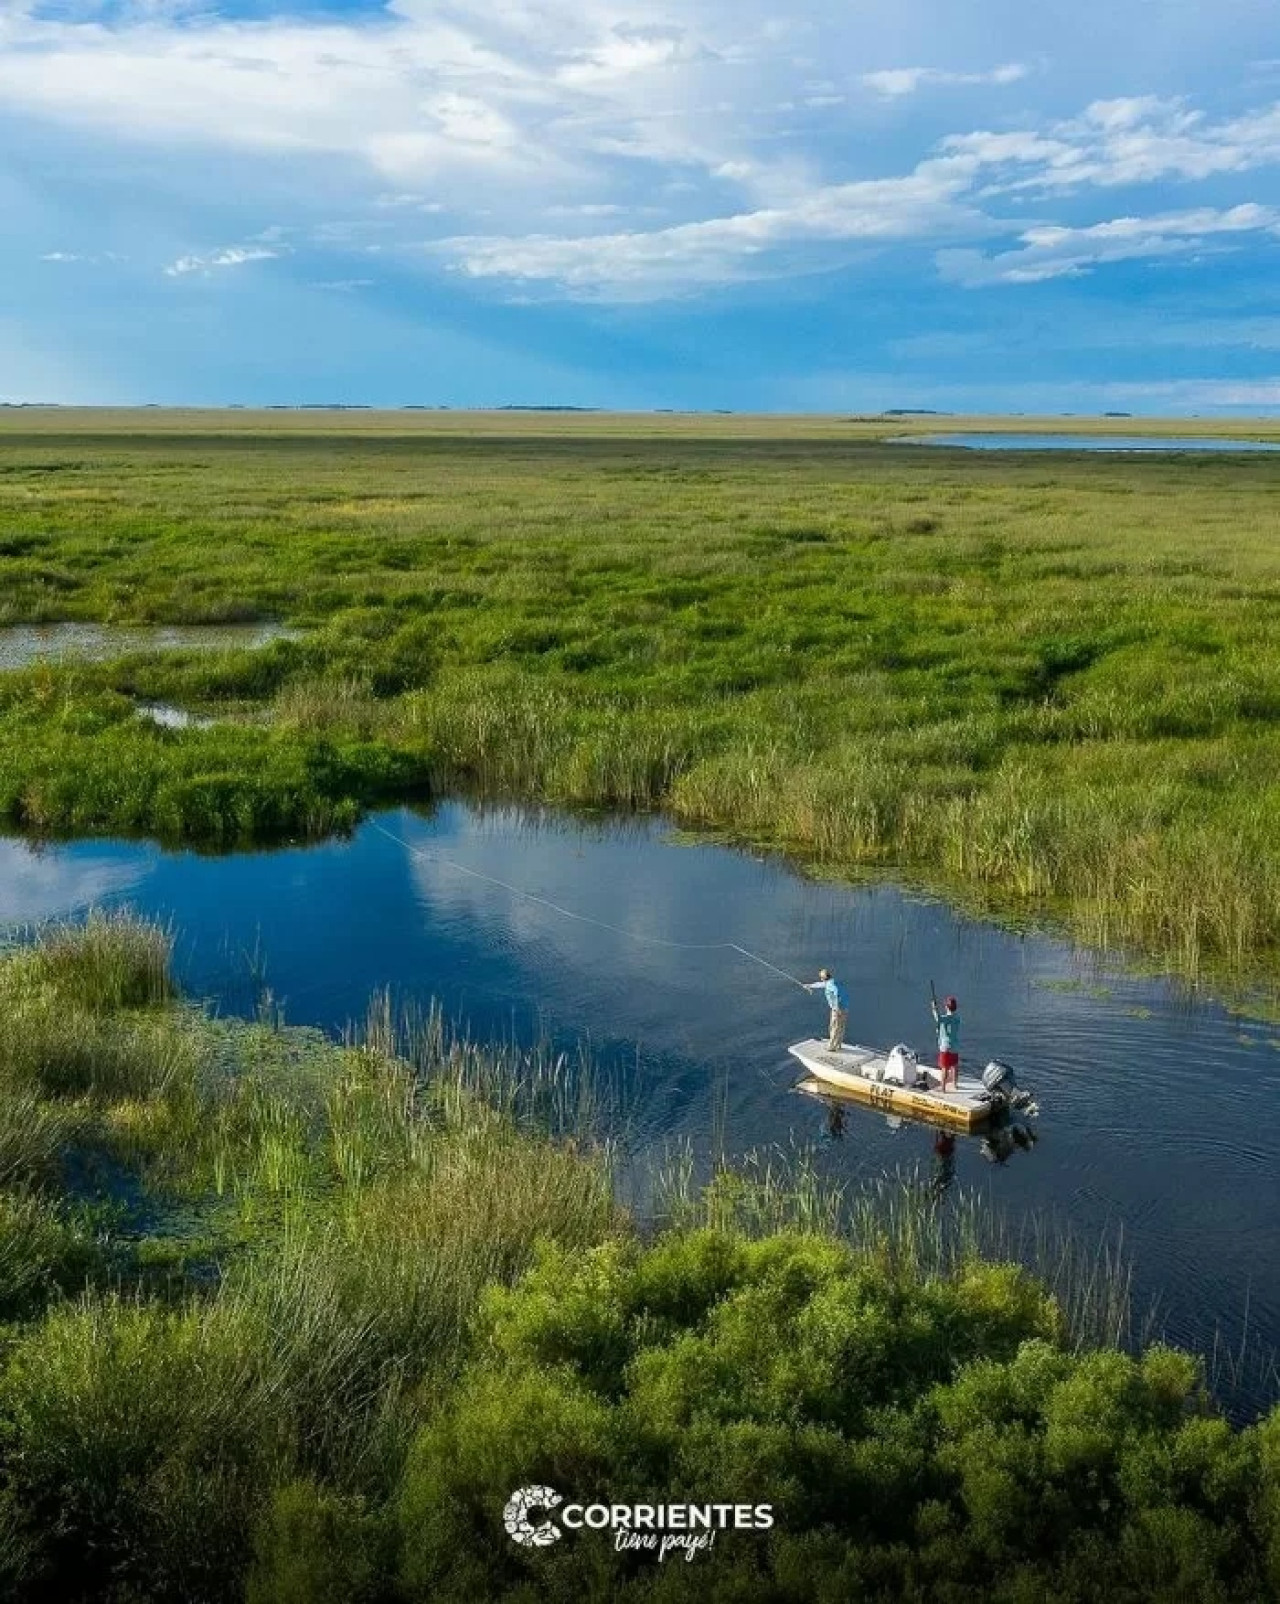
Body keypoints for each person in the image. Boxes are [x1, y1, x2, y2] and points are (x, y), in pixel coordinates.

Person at [805, 967, 848, 1052]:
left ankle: (831, 1047)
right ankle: (838, 1045)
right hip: (845, 1008)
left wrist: (837, 1007)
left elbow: (837, 993)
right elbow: (820, 984)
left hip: (837, 1009)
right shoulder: (832, 982)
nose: (820, 979)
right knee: (841, 1027)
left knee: (834, 1027)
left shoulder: (831, 985)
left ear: (824, 978)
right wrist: (809, 985)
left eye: (821, 978)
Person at [931, 993, 960, 1092]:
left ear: (947, 1007)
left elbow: (938, 1019)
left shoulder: (945, 1018)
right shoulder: (957, 1018)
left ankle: (943, 1089)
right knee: (955, 1066)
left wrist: (934, 1008)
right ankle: (955, 1085)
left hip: (946, 1047)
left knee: (945, 1068)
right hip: (955, 1046)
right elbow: (943, 1022)